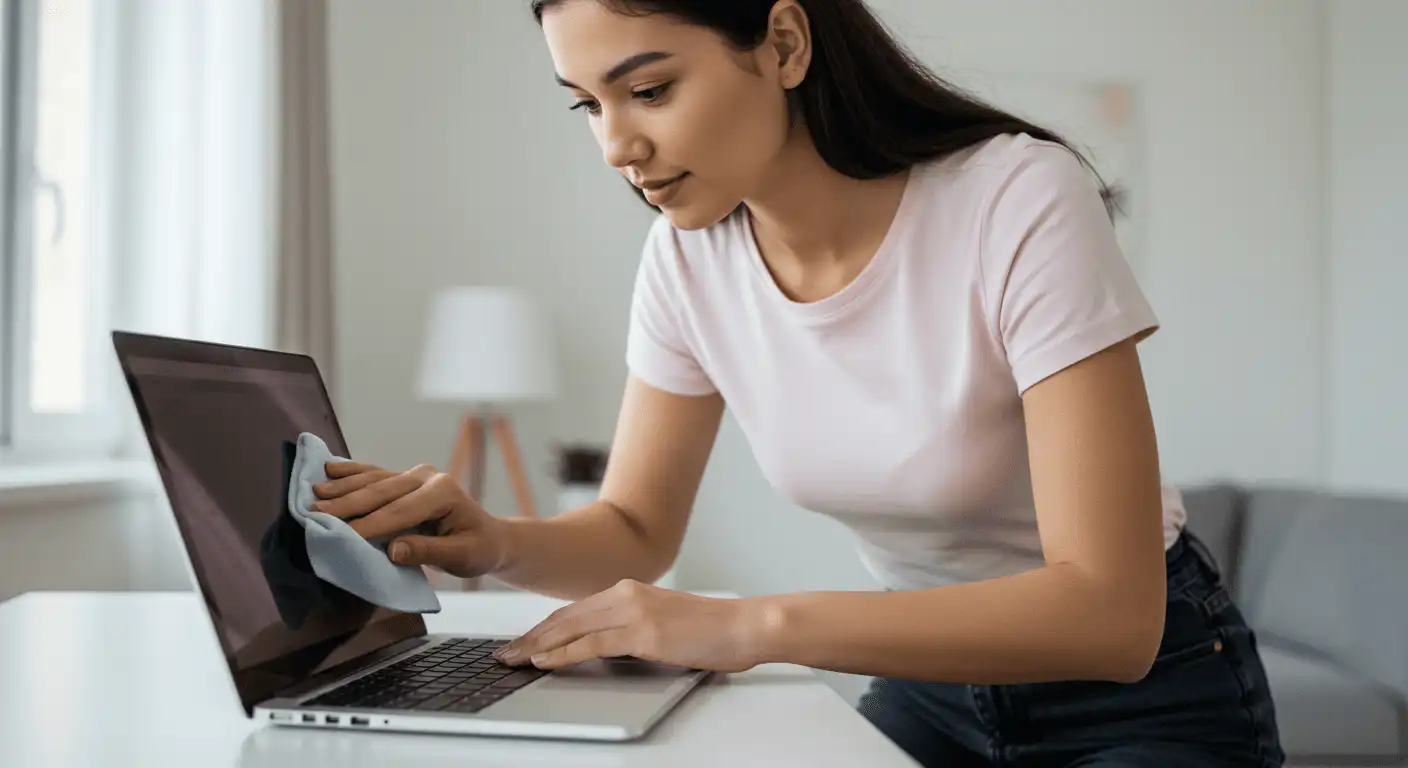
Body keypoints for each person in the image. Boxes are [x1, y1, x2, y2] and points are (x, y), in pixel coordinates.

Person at [311, 1, 1285, 765]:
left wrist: (749, 626)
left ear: (783, 43)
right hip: (932, 688)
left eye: (648, 89)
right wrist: (494, 542)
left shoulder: (1015, 196)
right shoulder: (687, 261)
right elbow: (635, 530)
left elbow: (1109, 616)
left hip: (1141, 699)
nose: (615, 145)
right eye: (587, 104)